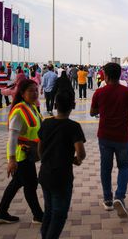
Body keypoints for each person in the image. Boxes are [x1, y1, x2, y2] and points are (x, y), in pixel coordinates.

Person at [90, 62, 128, 218]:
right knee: (124, 166)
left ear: (105, 76)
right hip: (123, 137)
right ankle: (119, 197)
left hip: (105, 137)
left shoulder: (99, 92)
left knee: (105, 168)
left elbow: (93, 112)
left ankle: (107, 199)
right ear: (120, 74)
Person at [0, 79, 43, 224]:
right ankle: (38, 215)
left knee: (18, 183)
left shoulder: (31, 107)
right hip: (21, 155)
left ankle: (1, 212)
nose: (34, 93)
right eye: (30, 91)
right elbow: (12, 137)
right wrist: (12, 160)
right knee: (31, 184)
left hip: (30, 153)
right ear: (22, 93)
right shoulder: (19, 110)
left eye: (36, 90)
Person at [38, 90, 86, 239]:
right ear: (72, 106)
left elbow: (40, 148)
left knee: (49, 210)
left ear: (55, 105)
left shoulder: (46, 122)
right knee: (59, 214)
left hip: (45, 174)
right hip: (62, 176)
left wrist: (46, 159)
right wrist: (75, 160)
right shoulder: (73, 126)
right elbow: (80, 152)